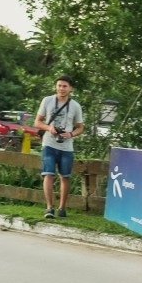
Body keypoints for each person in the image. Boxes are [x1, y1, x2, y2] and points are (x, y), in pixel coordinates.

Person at [35, 74, 84, 218]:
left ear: (70, 88)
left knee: (65, 177)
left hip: (66, 146)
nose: (61, 89)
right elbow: (37, 122)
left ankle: (62, 208)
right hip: (49, 143)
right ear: (56, 86)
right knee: (48, 174)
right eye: (59, 85)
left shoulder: (75, 106)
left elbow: (80, 127)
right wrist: (49, 128)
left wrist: (71, 134)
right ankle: (49, 208)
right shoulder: (47, 100)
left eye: (65, 86)